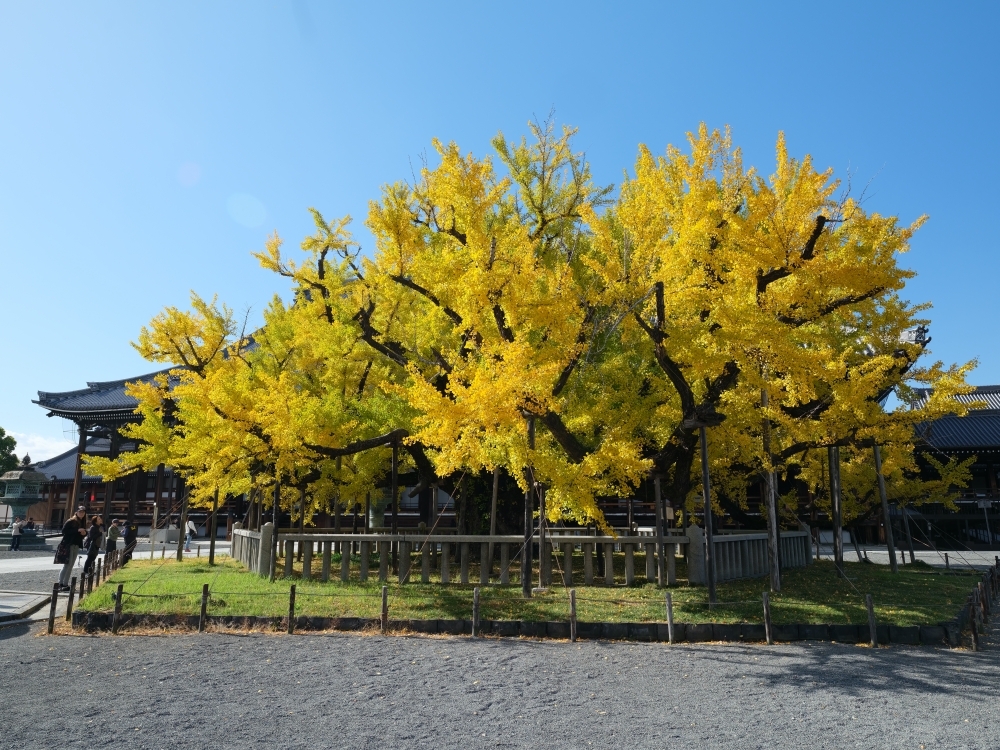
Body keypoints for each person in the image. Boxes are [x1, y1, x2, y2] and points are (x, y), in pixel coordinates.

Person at [56, 507, 87, 590]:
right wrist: (77, 530)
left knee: (71, 565)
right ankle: (60, 583)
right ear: (76, 512)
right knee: (67, 564)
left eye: (83, 512)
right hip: (68, 544)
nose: (81, 513)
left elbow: (82, 534)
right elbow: (64, 531)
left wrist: (84, 533)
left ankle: (65, 584)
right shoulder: (71, 521)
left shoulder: (82, 522)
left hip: (76, 545)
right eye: (80, 512)